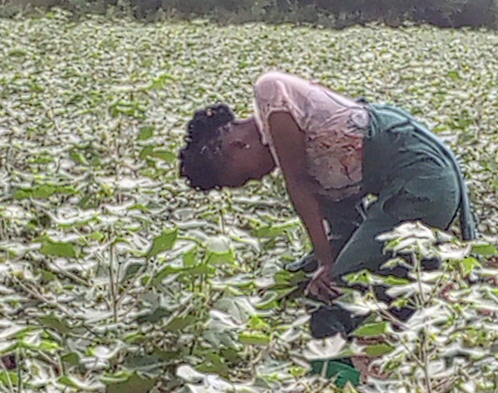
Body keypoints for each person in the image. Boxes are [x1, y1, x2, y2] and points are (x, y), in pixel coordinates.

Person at [179, 72, 479, 341]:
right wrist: (294, 278)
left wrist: (326, 264)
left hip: (422, 183)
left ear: (236, 147)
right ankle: (409, 366)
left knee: (337, 296)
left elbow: (296, 184)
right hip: (412, 190)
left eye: (245, 176)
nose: (259, 177)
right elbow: (344, 234)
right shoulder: (319, 172)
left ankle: (335, 392)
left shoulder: (271, 94)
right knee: (357, 290)